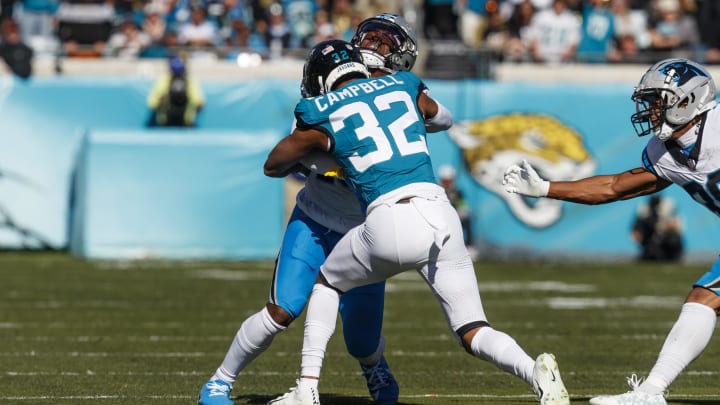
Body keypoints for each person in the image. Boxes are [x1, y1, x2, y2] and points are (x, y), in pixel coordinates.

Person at [264, 38, 570, 405]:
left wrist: (313, 156)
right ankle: (534, 371)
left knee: (326, 284)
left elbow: (274, 163)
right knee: (472, 328)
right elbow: (441, 117)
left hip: (392, 214)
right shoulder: (405, 84)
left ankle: (306, 388)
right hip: (441, 213)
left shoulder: (323, 106)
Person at [197, 13, 447, 405]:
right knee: (282, 309)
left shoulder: (400, 91)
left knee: (362, 338)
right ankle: (219, 381)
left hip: (365, 228)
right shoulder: (332, 95)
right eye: (373, 38)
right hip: (315, 220)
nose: (376, 47)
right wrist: (316, 152)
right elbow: (275, 162)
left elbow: (441, 116)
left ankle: (373, 366)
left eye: (386, 42)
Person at [503, 57, 719, 405]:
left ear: (686, 100)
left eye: (657, 101)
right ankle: (650, 393)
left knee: (705, 298)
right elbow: (615, 187)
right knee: (704, 299)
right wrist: (546, 189)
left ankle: (650, 393)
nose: (649, 110)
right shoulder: (665, 152)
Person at [147, 54, 204, 127]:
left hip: (186, 122)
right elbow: (151, 104)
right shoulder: (163, 81)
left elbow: (199, 102)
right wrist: (161, 99)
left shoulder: (190, 81)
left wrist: (197, 103)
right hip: (165, 122)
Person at [631, 194, 684, 262]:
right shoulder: (644, 208)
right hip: (651, 239)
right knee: (650, 254)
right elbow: (637, 228)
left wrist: (662, 225)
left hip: (666, 238)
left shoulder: (669, 206)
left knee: (673, 239)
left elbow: (675, 225)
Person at [438, 165, 474, 250]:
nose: (447, 183)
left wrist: (458, 215)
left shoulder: (458, 192)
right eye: (445, 181)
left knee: (467, 221)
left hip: (455, 217)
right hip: (441, 218)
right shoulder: (438, 191)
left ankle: (469, 247)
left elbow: (463, 208)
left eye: (449, 181)